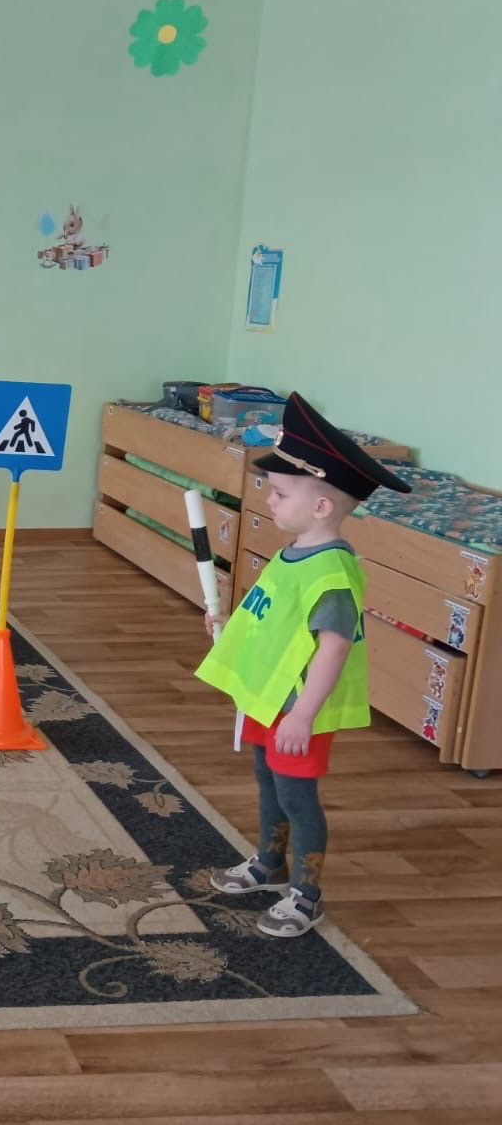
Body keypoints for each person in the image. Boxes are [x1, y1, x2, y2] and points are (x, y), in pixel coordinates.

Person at [196, 392, 411, 937]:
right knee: (268, 781)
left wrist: (304, 715)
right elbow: (277, 620)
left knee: (296, 796)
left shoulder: (332, 573)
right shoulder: (294, 554)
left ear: (320, 507)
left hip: (298, 709)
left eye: (280, 492)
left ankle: (306, 896)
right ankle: (270, 864)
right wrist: (231, 626)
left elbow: (333, 649)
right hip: (270, 698)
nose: (269, 499)